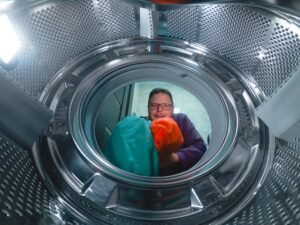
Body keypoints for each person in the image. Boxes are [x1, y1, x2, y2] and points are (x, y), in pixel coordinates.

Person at [147, 88, 207, 176]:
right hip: (148, 181)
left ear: (172, 108)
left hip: (180, 179)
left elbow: (200, 148)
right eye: (153, 105)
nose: (159, 109)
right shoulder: (141, 125)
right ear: (148, 108)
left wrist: (176, 158)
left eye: (165, 105)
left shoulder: (182, 120)